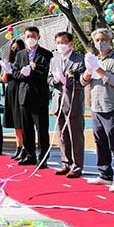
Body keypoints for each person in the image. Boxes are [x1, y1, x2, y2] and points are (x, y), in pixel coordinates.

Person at [81, 28, 114, 193]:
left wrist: (99, 70)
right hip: (96, 106)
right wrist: (88, 70)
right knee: (100, 141)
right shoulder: (93, 59)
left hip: (111, 105)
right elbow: (83, 81)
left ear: (110, 40)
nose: (100, 43)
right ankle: (104, 174)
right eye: (97, 40)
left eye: (103, 39)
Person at [12, 26, 53, 168]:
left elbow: (47, 75)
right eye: (28, 36)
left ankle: (43, 157)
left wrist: (33, 72)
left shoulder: (46, 54)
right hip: (24, 95)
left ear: (38, 37)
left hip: (39, 96)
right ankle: (30, 155)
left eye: (33, 36)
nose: (30, 39)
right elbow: (15, 73)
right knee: (26, 128)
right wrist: (22, 73)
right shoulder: (20, 54)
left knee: (41, 129)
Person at [48, 31, 86, 178]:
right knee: (62, 134)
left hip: (73, 102)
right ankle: (65, 162)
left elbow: (82, 81)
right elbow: (49, 78)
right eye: (58, 43)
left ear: (71, 43)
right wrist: (56, 81)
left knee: (75, 135)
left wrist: (67, 81)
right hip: (58, 101)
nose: (61, 45)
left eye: (63, 42)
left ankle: (77, 166)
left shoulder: (79, 59)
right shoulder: (54, 60)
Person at [2, 39, 25, 160]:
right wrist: (6, 70)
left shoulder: (23, 61)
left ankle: (25, 148)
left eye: (17, 48)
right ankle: (18, 147)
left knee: (21, 121)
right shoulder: (9, 61)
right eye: (13, 48)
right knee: (15, 123)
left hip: (20, 90)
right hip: (10, 90)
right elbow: (4, 79)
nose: (15, 50)